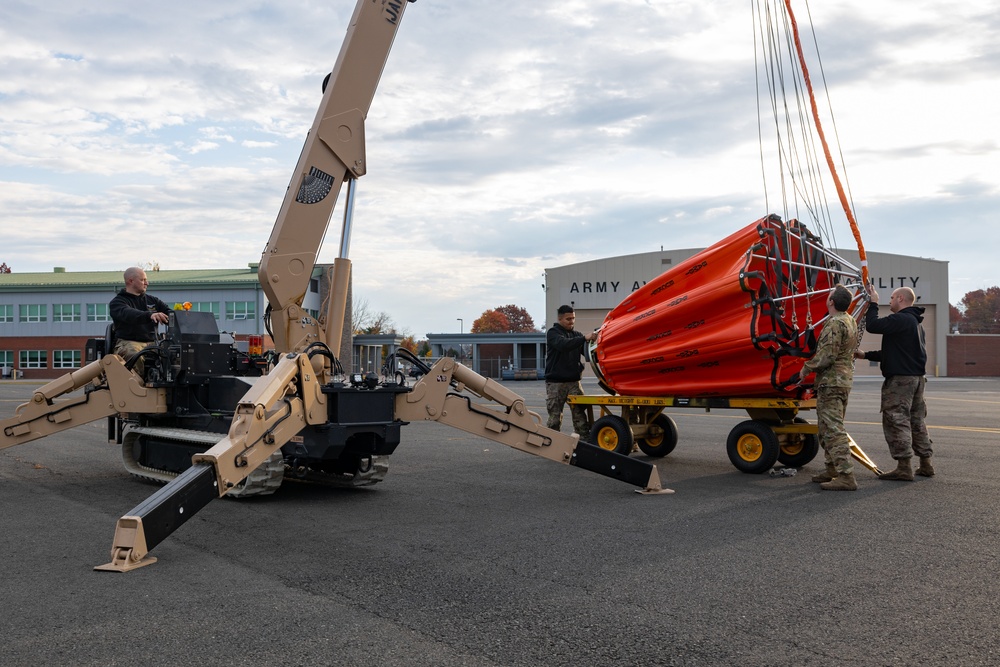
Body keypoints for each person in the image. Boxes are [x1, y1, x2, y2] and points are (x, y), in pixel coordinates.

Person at [854, 285, 933, 480]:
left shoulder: (901, 319)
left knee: (896, 420)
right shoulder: (915, 323)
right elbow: (895, 353)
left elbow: (873, 325)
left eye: (891, 298)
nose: (888, 301)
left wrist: (872, 302)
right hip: (917, 379)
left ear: (900, 298)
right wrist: (865, 355)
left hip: (900, 381)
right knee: (917, 421)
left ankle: (904, 467)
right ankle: (926, 463)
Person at [794, 284, 859, 490]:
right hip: (842, 381)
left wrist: (805, 369)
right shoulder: (850, 321)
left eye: (829, 296)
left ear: (831, 301)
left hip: (831, 382)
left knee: (832, 429)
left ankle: (846, 475)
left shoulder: (834, 323)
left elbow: (827, 355)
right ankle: (832, 469)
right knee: (825, 428)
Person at [544, 305, 597, 439]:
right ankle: (552, 443)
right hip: (556, 384)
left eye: (573, 318)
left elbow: (588, 354)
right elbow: (564, 345)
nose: (571, 321)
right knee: (555, 418)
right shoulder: (553, 333)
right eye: (568, 319)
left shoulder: (577, 335)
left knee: (580, 415)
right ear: (560, 319)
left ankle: (584, 442)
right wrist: (584, 338)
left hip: (574, 382)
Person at [109, 267, 171, 375]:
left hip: (154, 342)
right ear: (130, 281)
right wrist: (150, 315)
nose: (147, 283)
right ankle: (137, 388)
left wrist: (180, 317)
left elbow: (169, 313)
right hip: (129, 342)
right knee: (134, 354)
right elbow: (129, 314)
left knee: (173, 354)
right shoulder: (118, 303)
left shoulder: (153, 301)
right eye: (143, 280)